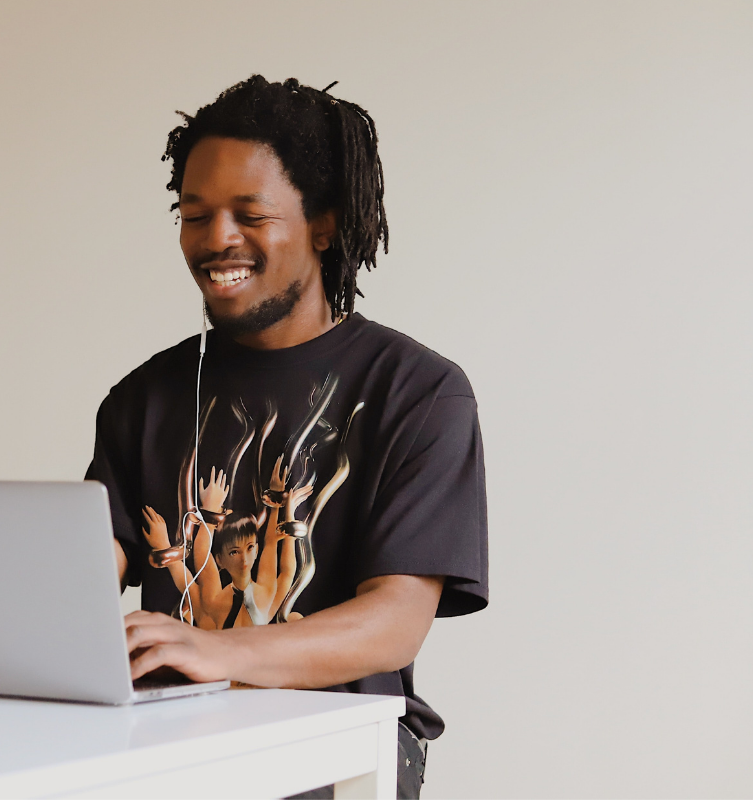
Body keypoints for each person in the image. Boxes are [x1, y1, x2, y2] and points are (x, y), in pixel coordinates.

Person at [86, 75, 488, 798]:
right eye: (194, 213)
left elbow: (393, 623)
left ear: (323, 224)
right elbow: (91, 563)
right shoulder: (141, 399)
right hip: (167, 738)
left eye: (250, 214)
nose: (216, 241)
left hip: (336, 744)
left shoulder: (419, 392)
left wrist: (215, 650)